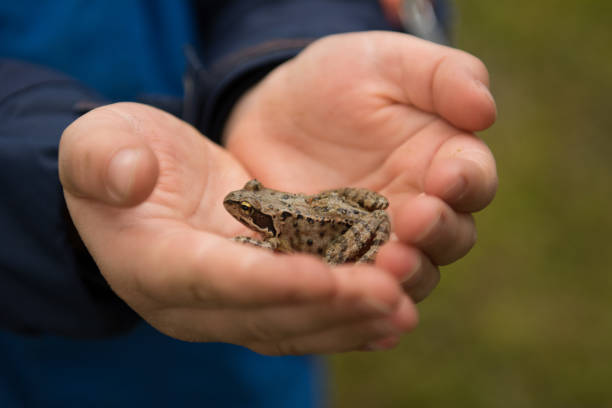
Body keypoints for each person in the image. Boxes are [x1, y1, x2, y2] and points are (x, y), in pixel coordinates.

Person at [0, 1, 497, 406]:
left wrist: (283, 57)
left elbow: (280, 241)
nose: (244, 213)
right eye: (247, 211)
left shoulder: (276, 229)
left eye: (249, 210)